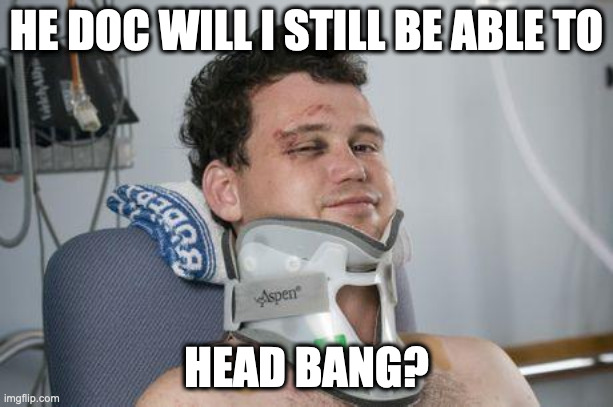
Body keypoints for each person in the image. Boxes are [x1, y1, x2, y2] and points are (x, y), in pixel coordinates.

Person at [137, 27, 539, 406]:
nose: (353, 168)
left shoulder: (486, 373)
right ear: (226, 191)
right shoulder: (190, 400)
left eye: (364, 146)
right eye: (307, 147)